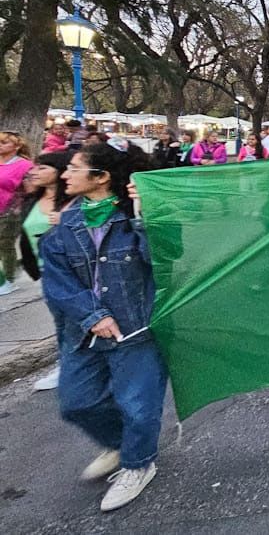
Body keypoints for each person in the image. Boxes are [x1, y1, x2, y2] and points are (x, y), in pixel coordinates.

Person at [39, 139, 167, 511]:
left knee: (138, 406)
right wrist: (93, 316)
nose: (65, 174)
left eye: (74, 168)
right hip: (83, 333)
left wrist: (144, 214)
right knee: (77, 403)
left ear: (101, 177)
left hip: (135, 330)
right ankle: (122, 443)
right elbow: (57, 280)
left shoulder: (133, 219)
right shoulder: (65, 224)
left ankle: (138, 464)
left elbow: (161, 261)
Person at [20, 152, 72, 390]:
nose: (35, 172)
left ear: (59, 171)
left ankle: (70, 367)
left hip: (72, 272)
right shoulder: (32, 199)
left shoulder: (73, 201)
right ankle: (67, 366)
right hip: (46, 272)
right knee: (62, 322)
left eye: (43, 168)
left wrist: (67, 220)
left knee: (71, 322)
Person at [0, 131, 35, 296]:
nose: (0, 145)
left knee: (5, 244)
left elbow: (31, 189)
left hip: (11, 210)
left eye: (4, 142)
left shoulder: (24, 165)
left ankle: (9, 279)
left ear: (17, 146)